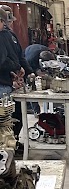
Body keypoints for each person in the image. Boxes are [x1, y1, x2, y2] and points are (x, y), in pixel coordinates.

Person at [0, 8, 32, 138]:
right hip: (3, 84)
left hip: (8, 81)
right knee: (5, 120)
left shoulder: (10, 35)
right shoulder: (2, 36)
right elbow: (3, 61)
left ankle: (13, 142)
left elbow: (18, 55)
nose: (7, 25)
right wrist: (17, 67)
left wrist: (26, 71)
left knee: (15, 114)